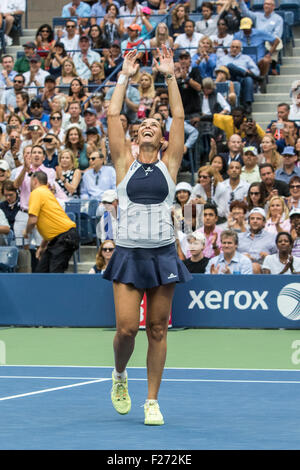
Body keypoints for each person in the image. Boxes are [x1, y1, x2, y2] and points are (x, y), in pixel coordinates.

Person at [103, 47, 192, 426]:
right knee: (126, 330)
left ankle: (152, 401)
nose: (149, 126)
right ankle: (120, 375)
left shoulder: (171, 165)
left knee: (157, 328)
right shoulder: (124, 162)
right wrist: (123, 75)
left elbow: (179, 115)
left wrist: (169, 74)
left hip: (162, 256)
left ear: (163, 138)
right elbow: (112, 115)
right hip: (128, 254)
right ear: (136, 137)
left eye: (155, 125)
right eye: (143, 126)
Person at [23, 170, 79, 272]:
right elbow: (52, 226)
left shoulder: (37, 192)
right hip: (58, 238)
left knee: (55, 275)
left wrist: (26, 232)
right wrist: (42, 247)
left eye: (30, 182)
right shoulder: (47, 193)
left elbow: (32, 220)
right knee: (41, 272)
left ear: (35, 181)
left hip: (64, 237)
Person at [237, 207, 277, 273]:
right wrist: (241, 257)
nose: (255, 221)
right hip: (240, 268)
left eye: (258, 219)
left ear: (264, 222)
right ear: (249, 222)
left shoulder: (272, 237)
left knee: (254, 267)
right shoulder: (238, 237)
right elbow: (230, 256)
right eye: (252, 218)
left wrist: (268, 258)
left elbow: (279, 259)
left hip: (264, 271)